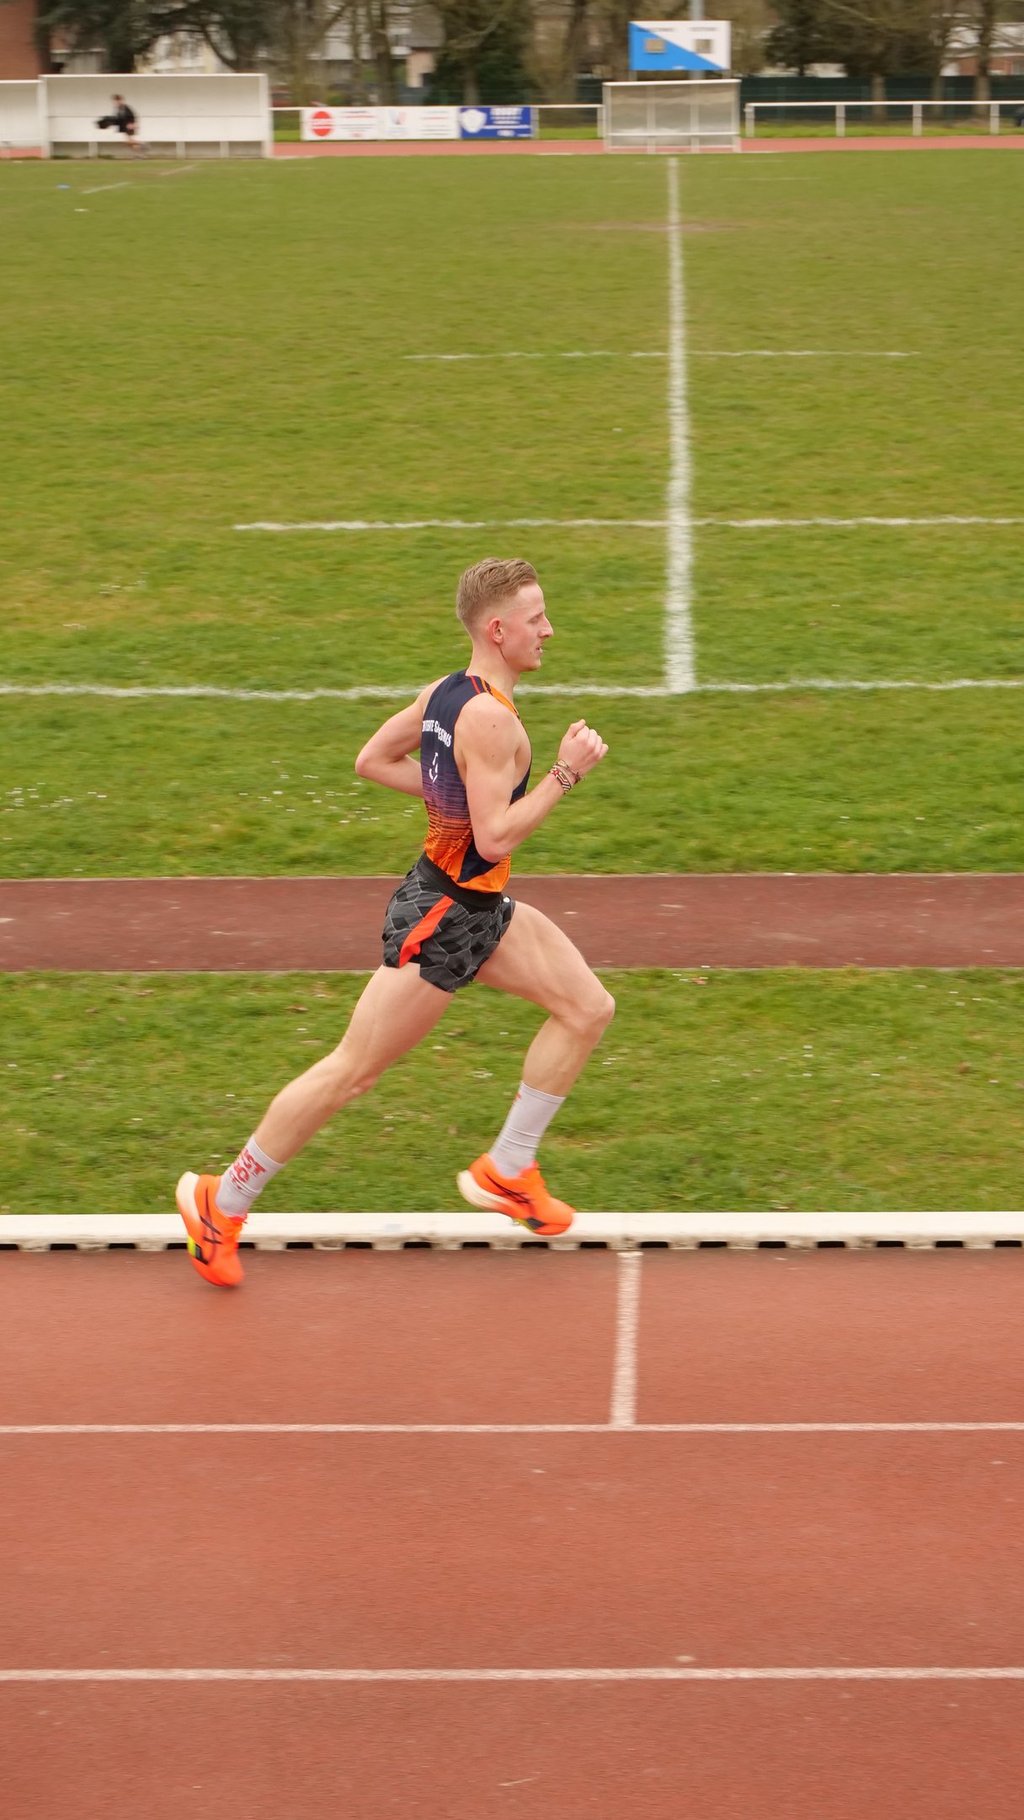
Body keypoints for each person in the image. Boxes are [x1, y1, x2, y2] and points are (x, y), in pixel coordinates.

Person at [177, 557, 614, 1287]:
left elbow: (373, 760)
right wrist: (566, 774)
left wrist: (453, 794)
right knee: (351, 1072)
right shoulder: (488, 719)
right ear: (497, 628)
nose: (549, 629)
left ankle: (508, 1167)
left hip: (480, 908)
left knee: (586, 1007)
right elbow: (496, 838)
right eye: (536, 618)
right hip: (444, 916)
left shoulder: (445, 693)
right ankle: (219, 1202)